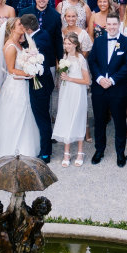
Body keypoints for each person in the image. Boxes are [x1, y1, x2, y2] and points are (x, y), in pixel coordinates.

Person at [0, 16, 43, 159]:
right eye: (19, 24)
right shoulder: (10, 46)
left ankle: (24, 146)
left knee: (26, 113)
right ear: (12, 28)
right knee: (14, 114)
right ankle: (11, 148)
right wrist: (29, 73)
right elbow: (11, 70)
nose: (23, 26)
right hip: (15, 85)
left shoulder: (21, 44)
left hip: (23, 84)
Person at [88, 14, 127, 165]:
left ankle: (120, 152)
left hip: (118, 88)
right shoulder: (99, 41)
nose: (112, 27)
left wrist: (112, 80)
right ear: (105, 25)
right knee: (99, 121)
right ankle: (99, 150)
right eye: (109, 24)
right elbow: (92, 61)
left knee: (120, 121)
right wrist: (100, 79)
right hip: (99, 88)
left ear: (119, 24)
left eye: (115, 24)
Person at [24, 1, 60, 161]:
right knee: (42, 116)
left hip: (40, 84)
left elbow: (39, 64)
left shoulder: (38, 41)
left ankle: (46, 153)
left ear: (28, 29)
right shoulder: (42, 34)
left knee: (42, 118)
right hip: (43, 83)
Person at [53, 29, 91, 165]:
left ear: (75, 44)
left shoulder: (80, 58)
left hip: (77, 91)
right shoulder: (64, 57)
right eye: (65, 43)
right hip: (66, 91)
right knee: (66, 118)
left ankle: (80, 152)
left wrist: (70, 78)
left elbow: (87, 81)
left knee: (78, 118)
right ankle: (67, 152)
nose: (67, 46)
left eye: (69, 43)